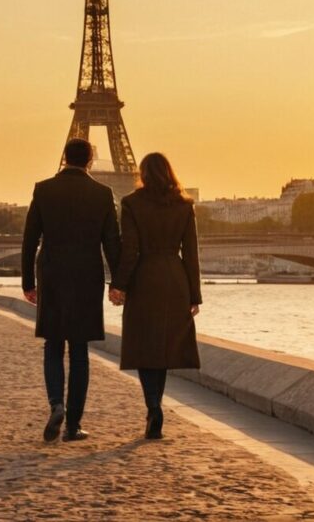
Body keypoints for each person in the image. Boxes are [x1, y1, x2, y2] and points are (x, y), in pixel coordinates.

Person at [22, 138, 120, 443]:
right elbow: (112, 244)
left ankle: (57, 404)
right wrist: (118, 283)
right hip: (86, 278)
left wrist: (28, 282)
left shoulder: (43, 189)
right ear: (90, 161)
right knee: (79, 352)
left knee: (53, 346)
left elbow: (29, 240)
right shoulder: (103, 195)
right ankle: (73, 424)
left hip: (51, 275)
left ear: (64, 157)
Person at [109, 152, 202, 440]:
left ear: (143, 174)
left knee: (143, 346)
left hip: (145, 278)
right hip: (175, 279)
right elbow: (192, 253)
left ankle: (152, 406)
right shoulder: (185, 206)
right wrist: (194, 295)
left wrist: (119, 285)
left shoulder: (132, 204)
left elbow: (130, 250)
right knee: (163, 349)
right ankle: (157, 404)